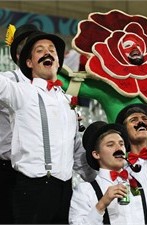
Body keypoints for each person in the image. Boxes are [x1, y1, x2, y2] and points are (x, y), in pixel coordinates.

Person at [0, 30, 96, 223]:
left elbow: (76, 149)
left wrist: (96, 179)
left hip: (64, 189)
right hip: (33, 187)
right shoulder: (22, 92)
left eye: (52, 50)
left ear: (59, 62)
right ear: (29, 63)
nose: (47, 52)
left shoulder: (68, 102)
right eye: (40, 50)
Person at [68, 68, 147, 225]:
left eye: (121, 143)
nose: (119, 147)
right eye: (110, 144)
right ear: (96, 154)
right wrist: (102, 204)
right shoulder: (86, 191)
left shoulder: (143, 177)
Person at [0, 23, 39, 224]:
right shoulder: (8, 81)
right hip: (8, 171)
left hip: (41, 174)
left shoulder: (56, 89)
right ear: (18, 55)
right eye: (30, 47)